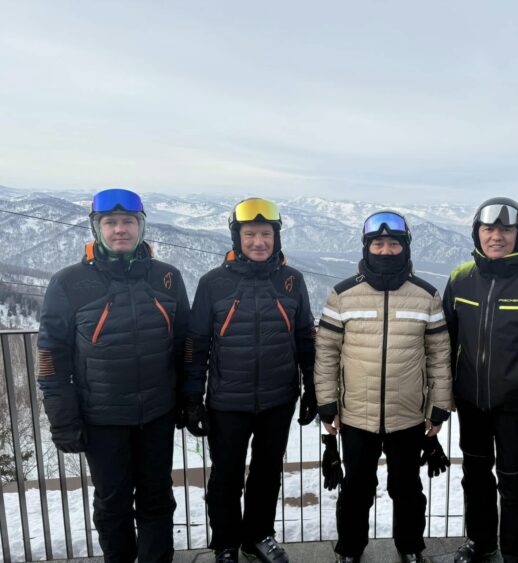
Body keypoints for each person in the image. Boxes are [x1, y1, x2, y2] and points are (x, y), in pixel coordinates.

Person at [37, 188, 190, 563]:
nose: (120, 229)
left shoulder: (167, 278)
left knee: (157, 497)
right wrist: (63, 419)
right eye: (110, 222)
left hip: (157, 414)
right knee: (112, 502)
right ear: (97, 228)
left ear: (141, 226)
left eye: (128, 222)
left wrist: (188, 399)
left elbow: (185, 346)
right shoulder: (68, 282)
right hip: (102, 418)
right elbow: (51, 357)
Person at [182, 197, 316, 563]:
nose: (259, 242)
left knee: (267, 473)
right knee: (226, 476)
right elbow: (196, 344)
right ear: (237, 238)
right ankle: (225, 542)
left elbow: (305, 337)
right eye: (250, 234)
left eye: (266, 234)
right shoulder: (213, 283)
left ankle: (258, 536)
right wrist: (192, 397)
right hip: (228, 401)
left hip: (279, 399)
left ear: (277, 237)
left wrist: (312, 389)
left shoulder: (292, 281)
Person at [315, 210, 453, 563]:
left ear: (405, 247)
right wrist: (327, 403)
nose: (386, 250)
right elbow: (327, 353)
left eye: (394, 244)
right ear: (367, 247)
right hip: (356, 415)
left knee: (407, 489)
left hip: (407, 415)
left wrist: (439, 406)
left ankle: (410, 547)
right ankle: (350, 549)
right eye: (378, 243)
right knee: (356, 489)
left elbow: (439, 356)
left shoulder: (426, 296)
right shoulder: (342, 295)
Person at [442, 197, 518, 563]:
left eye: (506, 230)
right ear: (477, 233)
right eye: (488, 229)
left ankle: (516, 554)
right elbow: (446, 341)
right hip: (470, 401)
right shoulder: (461, 279)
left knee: (515, 482)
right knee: (475, 477)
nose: (496, 237)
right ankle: (481, 544)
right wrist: (446, 389)